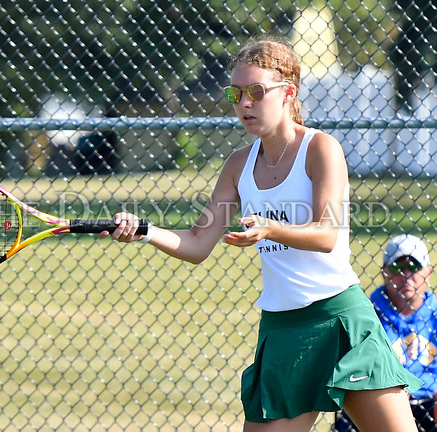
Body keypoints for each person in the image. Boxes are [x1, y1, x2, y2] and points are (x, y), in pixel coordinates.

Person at [100, 35, 422, 432]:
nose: (244, 104)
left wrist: (271, 228)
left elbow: (326, 235)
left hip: (341, 321)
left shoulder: (321, 148)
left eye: (256, 91)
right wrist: (146, 231)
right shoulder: (238, 165)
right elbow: (199, 243)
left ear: (288, 92)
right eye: (236, 93)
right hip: (283, 330)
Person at [335, 234, 437, 432]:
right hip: (381, 399)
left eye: (415, 267)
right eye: (397, 267)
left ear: (429, 272)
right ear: (385, 273)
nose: (406, 275)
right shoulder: (367, 314)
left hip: (430, 403)